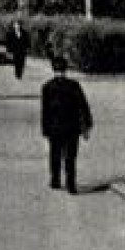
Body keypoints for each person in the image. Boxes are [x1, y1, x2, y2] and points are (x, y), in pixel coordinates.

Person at [40, 57, 93, 193]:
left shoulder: (47, 87)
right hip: (72, 127)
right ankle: (71, 183)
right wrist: (87, 125)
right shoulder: (74, 85)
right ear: (66, 69)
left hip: (54, 127)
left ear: (53, 69)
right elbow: (83, 105)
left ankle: (55, 180)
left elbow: (45, 111)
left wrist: (45, 130)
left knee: (55, 154)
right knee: (70, 156)